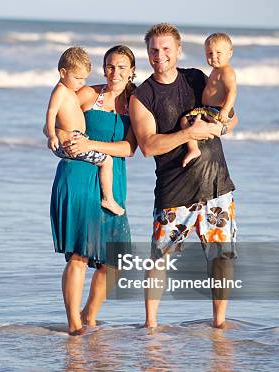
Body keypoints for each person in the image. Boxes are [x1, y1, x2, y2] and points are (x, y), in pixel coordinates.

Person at [130, 23, 238, 329]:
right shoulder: (143, 96)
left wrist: (222, 126)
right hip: (174, 191)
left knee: (222, 258)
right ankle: (151, 326)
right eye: (153, 50)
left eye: (166, 49)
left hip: (216, 184)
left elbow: (228, 114)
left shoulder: (195, 78)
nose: (159, 55)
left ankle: (219, 324)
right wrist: (189, 133)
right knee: (158, 260)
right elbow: (149, 146)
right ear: (148, 53)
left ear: (178, 50)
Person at [50, 45, 138, 336]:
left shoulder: (135, 102)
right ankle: (74, 324)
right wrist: (62, 137)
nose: (115, 72)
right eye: (110, 66)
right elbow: (54, 119)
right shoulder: (88, 93)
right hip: (78, 176)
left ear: (131, 71)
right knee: (79, 254)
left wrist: (91, 144)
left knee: (115, 259)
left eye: (122, 67)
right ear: (104, 69)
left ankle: (90, 314)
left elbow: (129, 148)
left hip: (112, 178)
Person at [45, 47, 125, 216]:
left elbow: (130, 148)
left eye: (84, 79)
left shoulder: (71, 91)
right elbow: (50, 115)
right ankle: (108, 198)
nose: (82, 83)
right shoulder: (62, 91)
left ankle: (108, 198)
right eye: (78, 79)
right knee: (106, 161)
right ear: (63, 72)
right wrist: (55, 135)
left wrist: (86, 142)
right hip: (71, 146)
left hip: (79, 142)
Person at [181, 32, 237, 167]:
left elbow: (232, 92)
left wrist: (225, 110)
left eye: (219, 53)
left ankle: (194, 149)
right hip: (209, 109)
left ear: (229, 53)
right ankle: (195, 148)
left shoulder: (226, 71)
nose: (214, 57)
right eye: (209, 54)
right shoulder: (216, 70)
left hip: (217, 110)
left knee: (187, 120)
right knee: (186, 120)